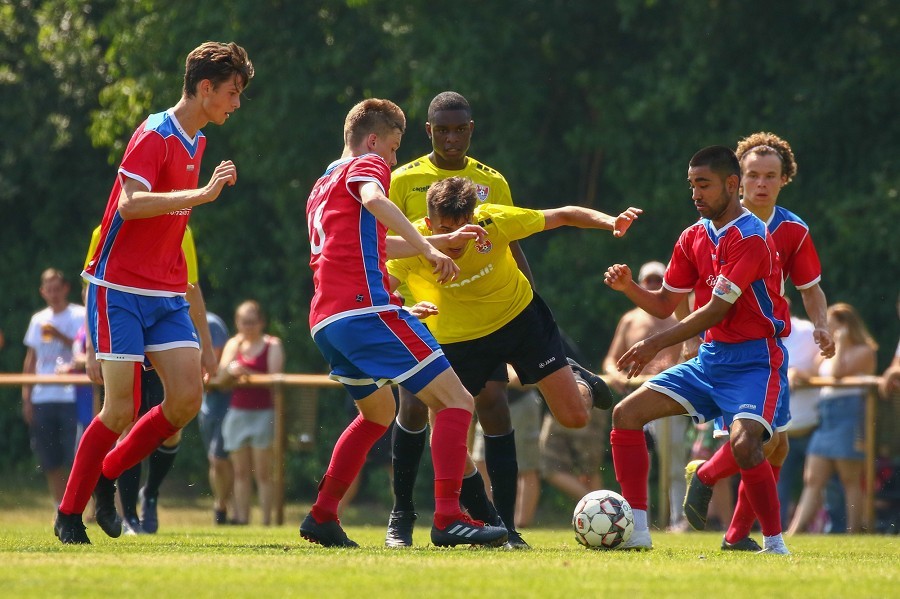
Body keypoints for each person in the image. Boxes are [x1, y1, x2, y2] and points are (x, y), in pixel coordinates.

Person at [53, 41, 254, 545]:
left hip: (165, 293)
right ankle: (68, 514)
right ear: (205, 88)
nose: (236, 103)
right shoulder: (155, 133)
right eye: (232, 92)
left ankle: (107, 475)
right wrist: (202, 195)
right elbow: (130, 205)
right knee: (119, 410)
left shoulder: (197, 140)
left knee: (186, 399)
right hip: (118, 288)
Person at [300, 97, 508, 548]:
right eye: (394, 148)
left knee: (377, 414)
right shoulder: (369, 165)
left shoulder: (322, 183)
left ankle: (322, 514)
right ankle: (448, 517)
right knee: (456, 401)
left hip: (327, 320)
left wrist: (436, 240)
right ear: (374, 140)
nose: (393, 161)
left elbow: (372, 244)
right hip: (364, 309)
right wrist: (430, 250)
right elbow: (376, 199)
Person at [386, 177, 636, 521]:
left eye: (464, 227)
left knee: (575, 417)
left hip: (521, 322)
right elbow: (379, 292)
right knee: (446, 437)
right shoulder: (412, 245)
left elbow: (563, 214)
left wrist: (610, 221)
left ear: (474, 217)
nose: (456, 239)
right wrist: (404, 310)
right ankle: (484, 518)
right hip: (460, 341)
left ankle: (582, 380)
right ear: (429, 223)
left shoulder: (494, 220)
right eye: (445, 229)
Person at [603, 145, 792, 554]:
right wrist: (629, 287)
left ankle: (775, 545)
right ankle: (638, 532)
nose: (695, 194)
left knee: (748, 445)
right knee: (626, 415)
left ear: (731, 184)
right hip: (711, 358)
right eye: (691, 185)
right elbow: (664, 304)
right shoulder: (692, 236)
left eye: (703, 185)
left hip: (756, 361)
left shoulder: (752, 237)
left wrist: (653, 343)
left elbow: (715, 309)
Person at [386, 91, 536, 548]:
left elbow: (509, 242)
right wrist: (392, 304)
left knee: (493, 404)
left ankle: (506, 526)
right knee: (414, 406)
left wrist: (530, 313)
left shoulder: (492, 181)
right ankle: (402, 515)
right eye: (442, 130)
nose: (451, 138)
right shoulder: (402, 179)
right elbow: (380, 244)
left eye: (459, 130)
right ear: (428, 131)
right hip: (425, 313)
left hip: (482, 317)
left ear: (471, 129)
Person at [680, 132, 836, 551]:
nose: (761, 183)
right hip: (726, 350)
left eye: (770, 175)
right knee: (765, 443)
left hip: (766, 348)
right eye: (753, 175)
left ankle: (733, 531)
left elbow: (810, 288)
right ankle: (713, 486)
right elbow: (687, 286)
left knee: (775, 446)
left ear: (785, 179)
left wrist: (821, 325)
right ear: (737, 179)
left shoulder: (793, 229)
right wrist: (690, 337)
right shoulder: (713, 225)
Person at [83, 224, 217, 534]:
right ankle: (129, 515)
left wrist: (206, 346)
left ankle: (151, 492)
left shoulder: (180, 226)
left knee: (173, 428)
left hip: (162, 334)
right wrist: (91, 347)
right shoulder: (105, 229)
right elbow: (92, 287)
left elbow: (191, 287)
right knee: (125, 420)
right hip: (124, 329)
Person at [602, 260, 687, 530]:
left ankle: (678, 519)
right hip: (637, 397)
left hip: (671, 396)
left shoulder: (679, 317)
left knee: (674, 461)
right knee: (639, 461)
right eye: (648, 280)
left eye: (658, 280)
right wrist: (616, 376)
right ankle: (638, 519)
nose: (653, 285)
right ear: (639, 282)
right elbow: (611, 360)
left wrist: (674, 367)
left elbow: (692, 351)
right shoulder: (630, 319)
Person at [787, 303, 877, 534]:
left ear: (846, 326)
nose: (828, 330)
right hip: (827, 416)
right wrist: (796, 373)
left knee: (849, 478)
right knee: (812, 478)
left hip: (849, 415)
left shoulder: (864, 351)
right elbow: (814, 373)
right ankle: (794, 532)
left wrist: (843, 343)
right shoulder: (827, 353)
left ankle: (853, 532)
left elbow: (836, 373)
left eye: (832, 325)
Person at [213, 300, 284, 526]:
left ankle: (266, 522)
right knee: (240, 472)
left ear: (261, 322)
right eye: (244, 322)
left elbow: (274, 379)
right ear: (237, 323)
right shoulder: (234, 344)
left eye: (252, 322)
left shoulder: (272, 344)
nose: (248, 327)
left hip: (263, 414)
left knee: (263, 472)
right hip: (237, 414)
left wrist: (247, 372)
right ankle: (241, 519)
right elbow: (221, 376)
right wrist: (231, 370)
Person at [22, 269, 86, 506]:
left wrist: (59, 335)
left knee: (76, 456)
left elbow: (84, 351)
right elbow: (31, 360)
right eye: (49, 290)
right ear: (42, 292)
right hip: (43, 397)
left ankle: (81, 504)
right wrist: (27, 398)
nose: (54, 294)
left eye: (57, 289)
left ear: (66, 289)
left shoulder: (79, 315)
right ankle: (60, 506)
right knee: (49, 459)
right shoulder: (38, 319)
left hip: (72, 395)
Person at [472, 367, 543, 529]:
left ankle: (520, 525)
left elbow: (518, 377)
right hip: (487, 404)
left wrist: (503, 373)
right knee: (480, 461)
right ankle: (488, 519)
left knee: (526, 467)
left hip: (520, 404)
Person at [776, 311, 823, 528]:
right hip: (780, 427)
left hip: (812, 423)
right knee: (778, 484)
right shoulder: (759, 333)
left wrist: (798, 373)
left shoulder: (806, 331)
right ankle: (776, 531)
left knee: (818, 481)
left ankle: (829, 528)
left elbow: (824, 365)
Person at [198, 311, 233, 524]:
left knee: (219, 459)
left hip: (224, 403)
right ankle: (221, 506)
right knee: (214, 460)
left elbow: (214, 364)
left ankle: (223, 508)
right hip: (206, 404)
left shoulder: (211, 323)